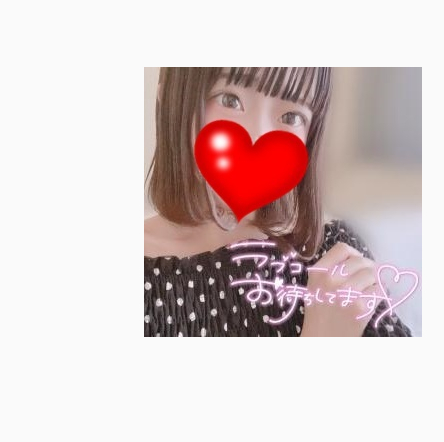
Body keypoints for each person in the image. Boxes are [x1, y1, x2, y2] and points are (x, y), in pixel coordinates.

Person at [144, 67, 411, 337]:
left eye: (291, 117)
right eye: (230, 100)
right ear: (168, 91)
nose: (258, 137)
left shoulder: (335, 261)